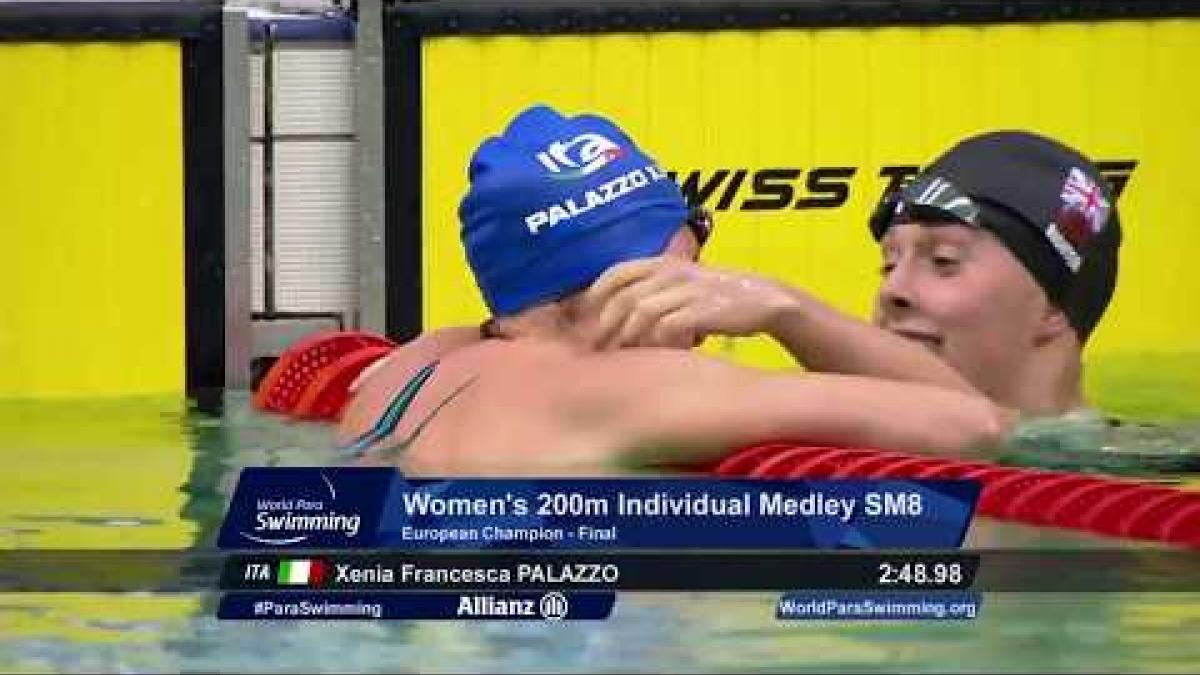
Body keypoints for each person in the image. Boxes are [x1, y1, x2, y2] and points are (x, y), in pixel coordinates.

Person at [337, 105, 1008, 474]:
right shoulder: (628, 389)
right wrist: (785, 307)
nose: (709, 317)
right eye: (691, 275)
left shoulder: (402, 370)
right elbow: (979, 425)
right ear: (628, 274)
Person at [583, 131, 1122, 419]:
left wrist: (787, 311)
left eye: (944, 262)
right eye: (889, 262)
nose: (893, 290)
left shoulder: (1144, 479)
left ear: (1052, 305)